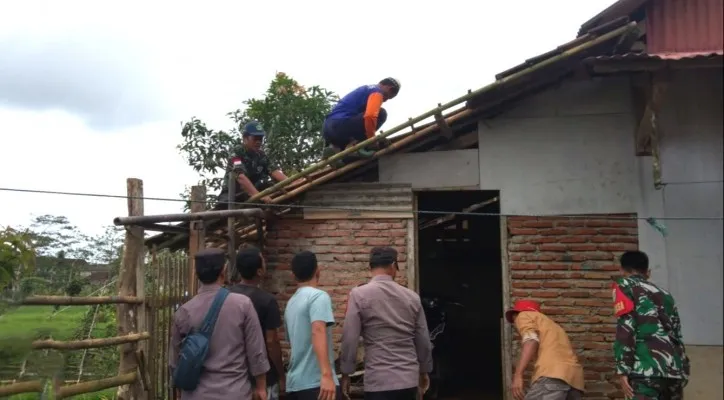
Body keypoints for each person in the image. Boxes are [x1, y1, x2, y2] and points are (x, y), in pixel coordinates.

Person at [169, 248, 270, 400]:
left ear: (197, 275)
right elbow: (256, 351)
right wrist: (261, 387)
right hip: (235, 393)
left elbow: (175, 361)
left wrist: (178, 390)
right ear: (224, 271)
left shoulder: (184, 312)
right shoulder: (242, 305)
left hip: (196, 395)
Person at [340, 247, 433, 400]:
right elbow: (423, 340)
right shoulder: (412, 297)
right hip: (408, 380)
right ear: (393, 265)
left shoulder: (358, 295)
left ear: (370, 267)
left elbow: (350, 338)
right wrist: (424, 370)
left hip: (378, 381)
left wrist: (346, 372)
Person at [613, 250, 690, 400]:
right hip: (674, 370)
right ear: (648, 272)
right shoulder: (665, 294)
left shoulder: (625, 285)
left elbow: (626, 328)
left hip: (645, 368)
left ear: (621, 270)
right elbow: (677, 333)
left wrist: (623, 369)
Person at [229, 246, 286, 400]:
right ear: (259, 271)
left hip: (233, 376)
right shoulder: (267, 301)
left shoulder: (226, 297)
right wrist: (281, 375)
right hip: (264, 379)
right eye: (263, 261)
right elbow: (271, 342)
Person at [284, 251, 343, 400]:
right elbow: (318, 330)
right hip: (317, 386)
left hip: (294, 384)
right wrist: (327, 375)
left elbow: (293, 343)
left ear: (293, 275)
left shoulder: (291, 303)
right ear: (318, 270)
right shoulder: (318, 296)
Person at [506, 299, 584, 400]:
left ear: (517, 314)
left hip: (552, 376)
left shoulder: (523, 315)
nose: (515, 323)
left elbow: (531, 340)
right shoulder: (553, 326)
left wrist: (518, 375)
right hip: (575, 380)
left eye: (514, 318)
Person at [322, 78, 401, 167]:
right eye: (388, 97)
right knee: (381, 113)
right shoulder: (377, 92)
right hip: (341, 125)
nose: (385, 100)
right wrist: (371, 140)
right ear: (390, 88)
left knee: (353, 125)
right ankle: (355, 147)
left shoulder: (365, 89)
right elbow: (370, 116)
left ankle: (335, 150)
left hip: (327, 129)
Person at [216, 121, 291, 208]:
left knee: (270, 186)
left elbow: (275, 172)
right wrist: (259, 195)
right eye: (255, 138)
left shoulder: (261, 155)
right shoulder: (236, 152)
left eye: (261, 138)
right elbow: (240, 177)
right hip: (233, 195)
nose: (258, 142)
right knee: (225, 207)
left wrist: (292, 182)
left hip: (254, 193)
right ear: (245, 138)